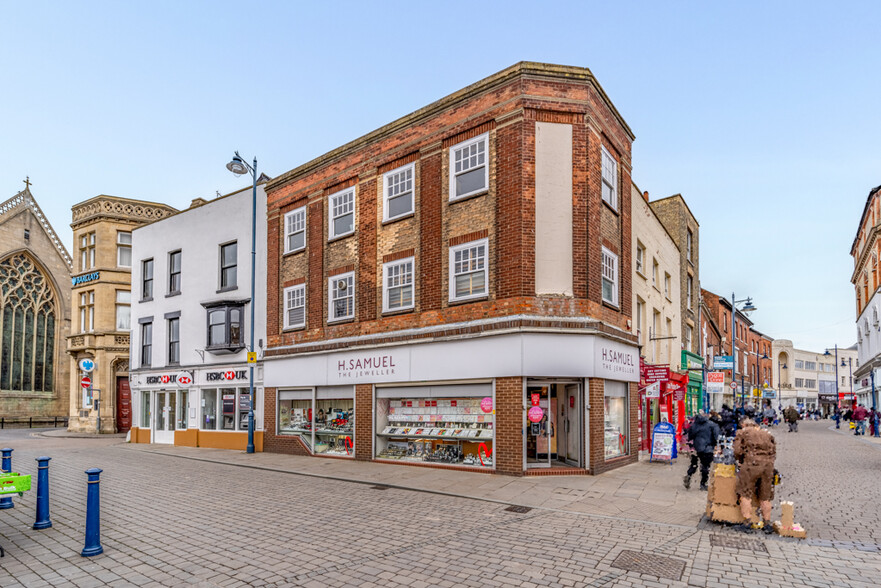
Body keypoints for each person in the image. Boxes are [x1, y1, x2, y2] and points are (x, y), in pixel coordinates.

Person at [733, 418, 776, 534]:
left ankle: (747, 523)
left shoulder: (743, 433)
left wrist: (741, 460)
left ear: (744, 425)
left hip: (751, 465)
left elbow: (737, 451)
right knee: (765, 495)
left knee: (745, 493)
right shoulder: (767, 433)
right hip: (768, 466)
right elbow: (774, 451)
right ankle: (767, 524)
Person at [683, 411, 720, 491]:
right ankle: (703, 484)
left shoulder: (694, 425)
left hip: (696, 448)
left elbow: (690, 436)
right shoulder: (712, 425)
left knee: (694, 464)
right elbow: (716, 437)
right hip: (708, 448)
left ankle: (689, 474)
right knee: (705, 466)